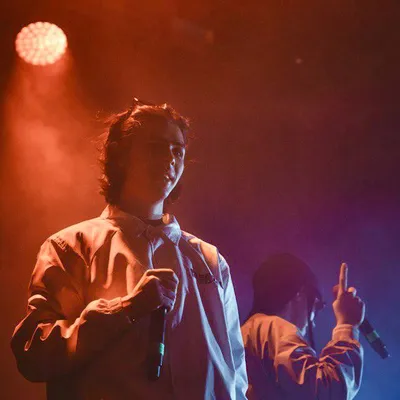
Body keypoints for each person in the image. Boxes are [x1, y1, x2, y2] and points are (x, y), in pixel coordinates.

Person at [11, 99, 247, 400]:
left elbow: (235, 370)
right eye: (155, 147)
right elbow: (35, 354)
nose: (169, 159)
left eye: (177, 150)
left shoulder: (209, 259)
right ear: (120, 156)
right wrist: (125, 309)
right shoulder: (70, 247)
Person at [241, 253, 364, 400]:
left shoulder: (248, 332)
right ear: (300, 293)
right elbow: (326, 392)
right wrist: (347, 325)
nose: (313, 321)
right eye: (317, 306)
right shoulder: (273, 328)